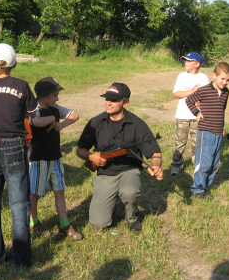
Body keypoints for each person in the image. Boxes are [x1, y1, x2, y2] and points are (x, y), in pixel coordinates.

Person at [0, 43, 38, 268]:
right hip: (14, 145)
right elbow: (32, 112)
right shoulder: (21, 85)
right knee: (19, 204)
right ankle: (21, 260)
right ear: (15, 63)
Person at [76, 83, 163, 232]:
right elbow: (79, 150)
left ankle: (132, 216)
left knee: (130, 191)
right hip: (105, 174)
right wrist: (91, 157)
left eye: (114, 100)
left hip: (129, 170)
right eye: (107, 98)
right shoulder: (96, 122)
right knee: (98, 224)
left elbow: (155, 152)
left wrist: (156, 166)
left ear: (125, 103)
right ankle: (111, 197)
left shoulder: (137, 124)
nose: (109, 103)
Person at [28, 77, 81, 240]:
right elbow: (36, 122)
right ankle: (33, 222)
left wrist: (60, 125)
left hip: (55, 158)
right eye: (54, 95)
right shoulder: (33, 109)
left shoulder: (56, 108)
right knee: (34, 193)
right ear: (43, 96)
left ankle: (64, 224)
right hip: (38, 159)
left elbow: (75, 115)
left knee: (60, 191)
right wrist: (52, 119)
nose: (57, 99)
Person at [185, 62, 229, 200]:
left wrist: (222, 128)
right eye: (222, 79)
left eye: (228, 80)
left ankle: (205, 187)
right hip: (206, 130)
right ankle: (197, 189)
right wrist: (197, 113)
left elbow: (221, 111)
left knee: (214, 163)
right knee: (204, 162)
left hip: (218, 132)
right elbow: (189, 100)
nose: (225, 82)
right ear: (214, 75)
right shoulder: (204, 90)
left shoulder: (225, 92)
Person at [170, 52, 209, 176]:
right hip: (182, 115)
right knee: (179, 142)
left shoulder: (203, 78)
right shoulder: (181, 76)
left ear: (197, 64)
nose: (186, 62)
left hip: (197, 116)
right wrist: (192, 92)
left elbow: (206, 97)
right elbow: (176, 94)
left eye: (189, 61)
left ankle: (197, 165)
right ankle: (176, 165)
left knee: (197, 143)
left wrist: (200, 100)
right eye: (185, 60)